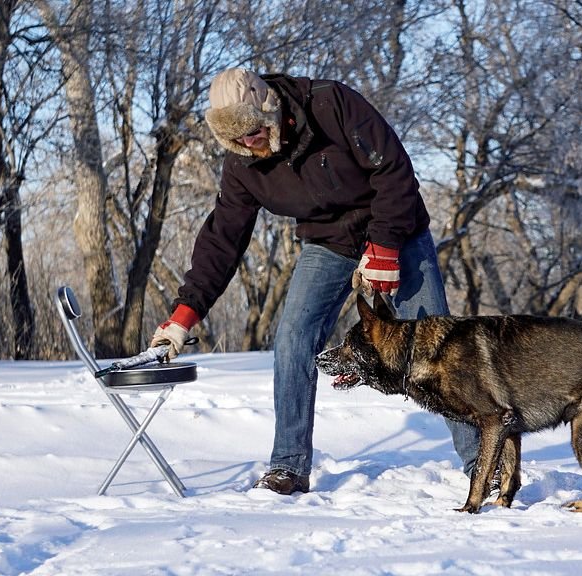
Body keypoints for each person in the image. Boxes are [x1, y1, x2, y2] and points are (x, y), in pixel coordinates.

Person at [150, 68, 479, 495]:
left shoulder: (330, 104)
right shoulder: (243, 162)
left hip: (398, 230)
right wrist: (183, 315)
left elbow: (394, 172)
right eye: (237, 140)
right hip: (328, 243)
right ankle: (288, 466)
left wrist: (384, 244)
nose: (249, 145)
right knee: (292, 338)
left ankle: (481, 461)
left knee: (436, 344)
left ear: (269, 109)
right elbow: (223, 238)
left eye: (252, 132)